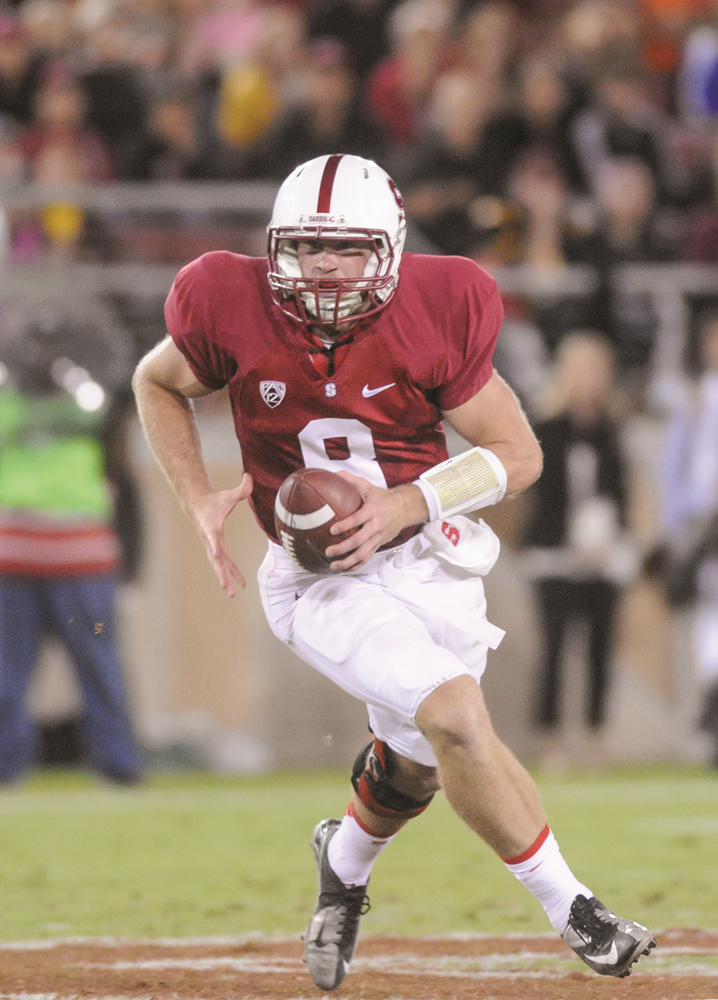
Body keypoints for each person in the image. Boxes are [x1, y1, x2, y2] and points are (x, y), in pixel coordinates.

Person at [132, 153, 656, 988]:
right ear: (276, 249)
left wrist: (408, 504)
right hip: (318, 578)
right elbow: (155, 381)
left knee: (412, 764)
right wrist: (196, 493)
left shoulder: (439, 305)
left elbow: (517, 453)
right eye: (307, 248)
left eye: (347, 249)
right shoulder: (225, 299)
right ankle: (576, 910)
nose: (326, 268)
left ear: (394, 248)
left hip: (426, 559)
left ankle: (341, 867)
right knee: (455, 717)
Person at [0, 308, 143, 785]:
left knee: (99, 669)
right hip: (15, 559)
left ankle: (119, 767)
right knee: (4, 675)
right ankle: (1, 769)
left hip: (82, 560)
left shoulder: (93, 404)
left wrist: (133, 567)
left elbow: (124, 481)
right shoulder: (1, 401)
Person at [520, 333, 631, 766]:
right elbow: (538, 497)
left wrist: (609, 538)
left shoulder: (610, 432)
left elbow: (619, 494)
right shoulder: (545, 429)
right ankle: (551, 740)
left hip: (602, 557)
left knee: (601, 648)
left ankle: (595, 735)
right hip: (554, 556)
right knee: (554, 647)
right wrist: (564, 538)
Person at [660, 309, 718, 765]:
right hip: (705, 524)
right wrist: (676, 521)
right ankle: (710, 710)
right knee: (708, 624)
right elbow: (675, 465)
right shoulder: (695, 397)